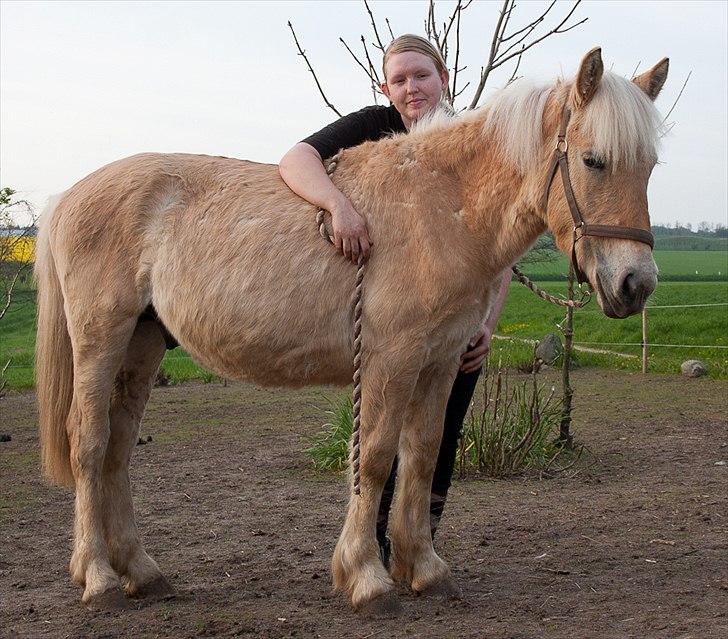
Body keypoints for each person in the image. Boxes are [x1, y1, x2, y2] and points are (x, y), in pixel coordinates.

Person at [279, 34, 511, 564]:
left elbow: (501, 247)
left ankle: (419, 536)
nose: (411, 88)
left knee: (440, 430)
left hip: (459, 315)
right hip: (399, 313)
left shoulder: (477, 142)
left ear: (444, 76)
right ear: (385, 86)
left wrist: (486, 325)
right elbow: (294, 161)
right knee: (387, 424)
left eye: (421, 76)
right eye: (399, 79)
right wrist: (339, 206)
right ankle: (374, 541)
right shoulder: (371, 125)